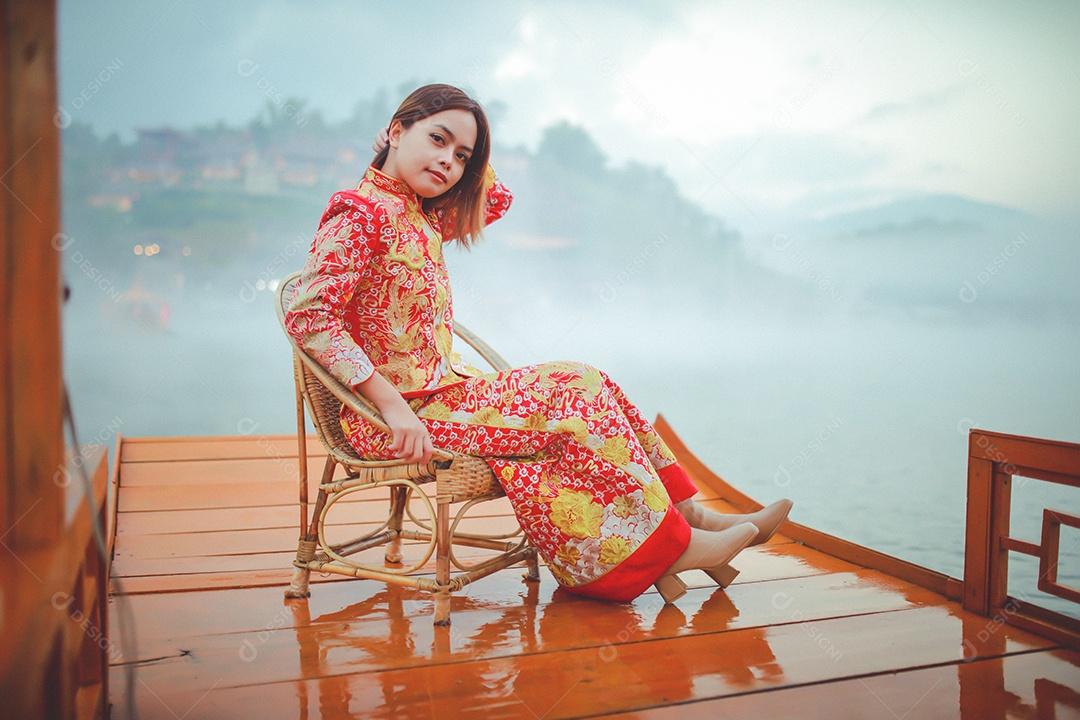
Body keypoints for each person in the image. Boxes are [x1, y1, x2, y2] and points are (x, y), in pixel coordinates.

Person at [286, 84, 792, 604]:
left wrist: (467, 149)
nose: (448, 162)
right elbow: (310, 317)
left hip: (444, 396)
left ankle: (687, 515)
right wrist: (392, 406)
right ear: (396, 131)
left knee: (586, 380)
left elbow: (497, 198)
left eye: (462, 156)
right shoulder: (358, 214)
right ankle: (666, 546)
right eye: (437, 140)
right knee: (573, 398)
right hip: (392, 419)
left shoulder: (422, 216)